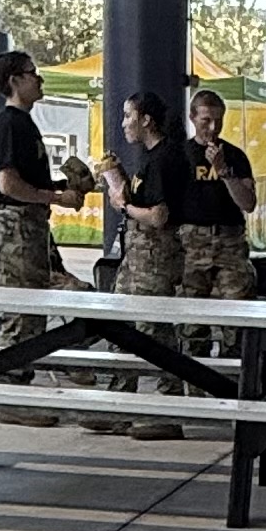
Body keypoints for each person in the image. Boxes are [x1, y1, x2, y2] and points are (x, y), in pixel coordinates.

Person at [0, 48, 85, 426]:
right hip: (16, 225)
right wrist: (56, 196)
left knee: (36, 308)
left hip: (32, 224)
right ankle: (12, 397)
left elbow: (28, 181)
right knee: (20, 311)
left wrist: (62, 187)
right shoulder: (9, 124)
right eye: (32, 73)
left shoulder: (24, 124)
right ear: (14, 81)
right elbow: (7, 183)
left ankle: (25, 386)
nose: (39, 79)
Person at [96, 90, 193, 441]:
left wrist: (123, 206)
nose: (124, 124)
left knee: (157, 334)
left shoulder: (165, 158)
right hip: (135, 259)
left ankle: (168, 410)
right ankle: (119, 405)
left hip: (156, 260)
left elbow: (158, 215)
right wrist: (120, 181)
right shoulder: (148, 159)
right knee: (120, 329)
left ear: (146, 120)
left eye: (127, 116)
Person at [177, 88, 260, 365]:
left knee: (235, 320)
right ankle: (195, 385)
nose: (212, 128)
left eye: (218, 121)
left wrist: (223, 170)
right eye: (205, 121)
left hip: (229, 243)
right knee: (191, 323)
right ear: (192, 118)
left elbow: (248, 203)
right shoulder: (181, 155)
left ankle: (233, 381)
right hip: (192, 244)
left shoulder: (235, 156)